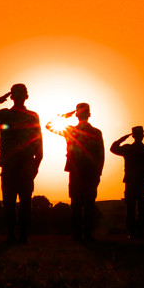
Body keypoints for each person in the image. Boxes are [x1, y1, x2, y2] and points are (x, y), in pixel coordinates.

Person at [0, 84, 43, 243]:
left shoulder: (8, 115)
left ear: (12, 97)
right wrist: (36, 164)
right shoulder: (26, 116)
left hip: (15, 163)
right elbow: (39, 144)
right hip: (20, 163)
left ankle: (14, 234)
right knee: (19, 200)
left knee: (13, 200)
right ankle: (19, 234)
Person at [46, 103, 104, 242]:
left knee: (80, 202)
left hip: (81, 170)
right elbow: (100, 155)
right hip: (84, 170)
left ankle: (80, 233)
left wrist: (65, 116)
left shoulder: (71, 130)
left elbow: (49, 125)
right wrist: (98, 172)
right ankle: (83, 233)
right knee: (82, 202)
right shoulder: (92, 131)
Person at [110, 126, 144, 239]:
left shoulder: (128, 148)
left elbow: (113, 148)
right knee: (140, 209)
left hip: (133, 182)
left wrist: (122, 139)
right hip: (141, 181)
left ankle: (133, 232)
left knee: (132, 208)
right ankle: (139, 232)